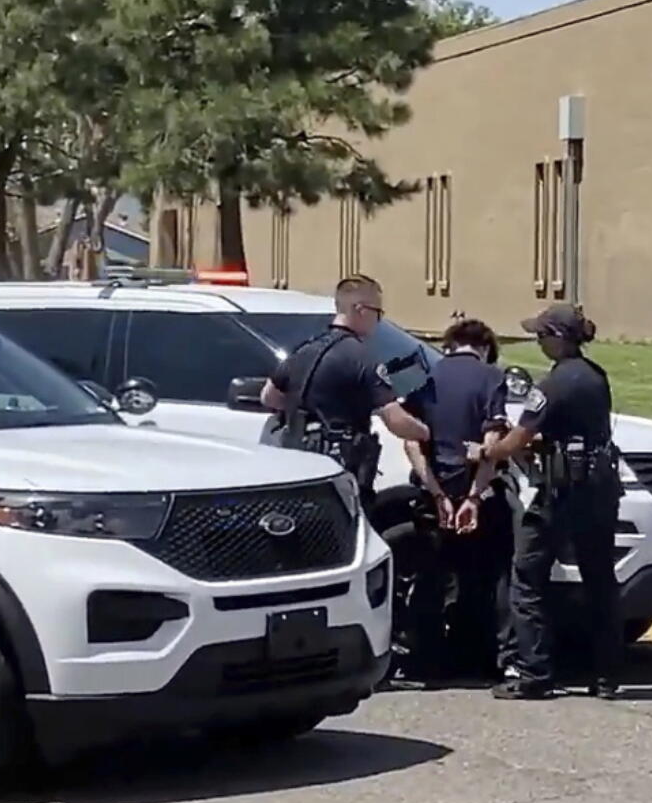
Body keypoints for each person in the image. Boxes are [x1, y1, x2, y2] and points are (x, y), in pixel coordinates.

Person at [470, 302, 625, 700]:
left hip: (562, 493)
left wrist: (486, 453)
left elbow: (516, 440)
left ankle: (534, 673)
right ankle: (606, 677)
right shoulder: (595, 377)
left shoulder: (552, 385)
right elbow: (575, 430)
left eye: (540, 336)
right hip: (601, 490)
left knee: (527, 577)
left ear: (557, 338)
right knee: (600, 581)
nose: (537, 343)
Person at [392, 319, 516, 683]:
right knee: (492, 574)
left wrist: (438, 493)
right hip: (476, 489)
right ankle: (488, 657)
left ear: (450, 345)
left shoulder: (428, 376)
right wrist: (472, 499)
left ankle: (426, 659)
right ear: (485, 347)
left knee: (431, 576)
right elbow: (491, 445)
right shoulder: (492, 377)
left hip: (434, 492)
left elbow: (412, 441)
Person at [260, 275, 429, 503]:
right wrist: (428, 433)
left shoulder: (304, 351)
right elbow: (395, 420)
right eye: (378, 313)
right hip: (338, 475)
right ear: (360, 309)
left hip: (296, 467)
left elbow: (268, 396)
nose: (378, 321)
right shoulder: (362, 359)